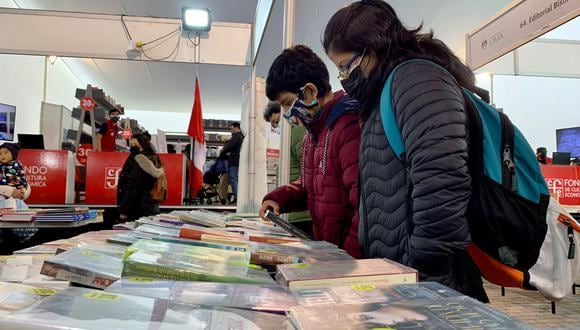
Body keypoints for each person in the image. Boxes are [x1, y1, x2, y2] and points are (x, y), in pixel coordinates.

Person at [323, 0, 487, 301]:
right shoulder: (383, 91)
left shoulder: (417, 81)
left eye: (346, 66)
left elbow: (442, 181)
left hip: (428, 283)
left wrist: (422, 265)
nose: (344, 78)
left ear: (373, 47)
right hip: (399, 276)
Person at [259, 45, 362, 258]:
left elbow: (364, 206)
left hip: (348, 263)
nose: (287, 114)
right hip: (328, 255)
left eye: (288, 103)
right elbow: (312, 187)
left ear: (310, 91)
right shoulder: (311, 135)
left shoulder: (349, 127)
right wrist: (279, 199)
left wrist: (348, 262)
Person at [263, 101, 312, 236]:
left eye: (277, 121)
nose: (276, 125)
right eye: (273, 123)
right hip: (292, 211)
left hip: (301, 214)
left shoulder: (296, 133)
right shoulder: (288, 137)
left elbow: (308, 171)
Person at [117, 132, 164, 221]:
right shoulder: (154, 157)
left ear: (143, 145)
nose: (132, 147)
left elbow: (133, 187)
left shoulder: (140, 160)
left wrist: (124, 210)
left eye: (135, 144)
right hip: (151, 205)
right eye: (131, 144)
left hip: (138, 208)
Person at [219, 122, 244, 202]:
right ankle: (237, 197)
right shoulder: (242, 136)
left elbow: (229, 146)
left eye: (231, 128)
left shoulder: (237, 136)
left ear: (236, 127)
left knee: (233, 178)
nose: (231, 130)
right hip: (237, 160)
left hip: (234, 160)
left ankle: (238, 198)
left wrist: (223, 152)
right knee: (234, 178)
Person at [0, 143, 30, 209]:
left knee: (18, 203)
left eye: (6, 153)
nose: (2, 156)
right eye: (0, 154)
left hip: (16, 187)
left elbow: (22, 177)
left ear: (13, 155)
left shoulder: (17, 164)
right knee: (6, 201)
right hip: (4, 192)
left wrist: (23, 188)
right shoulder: (1, 166)